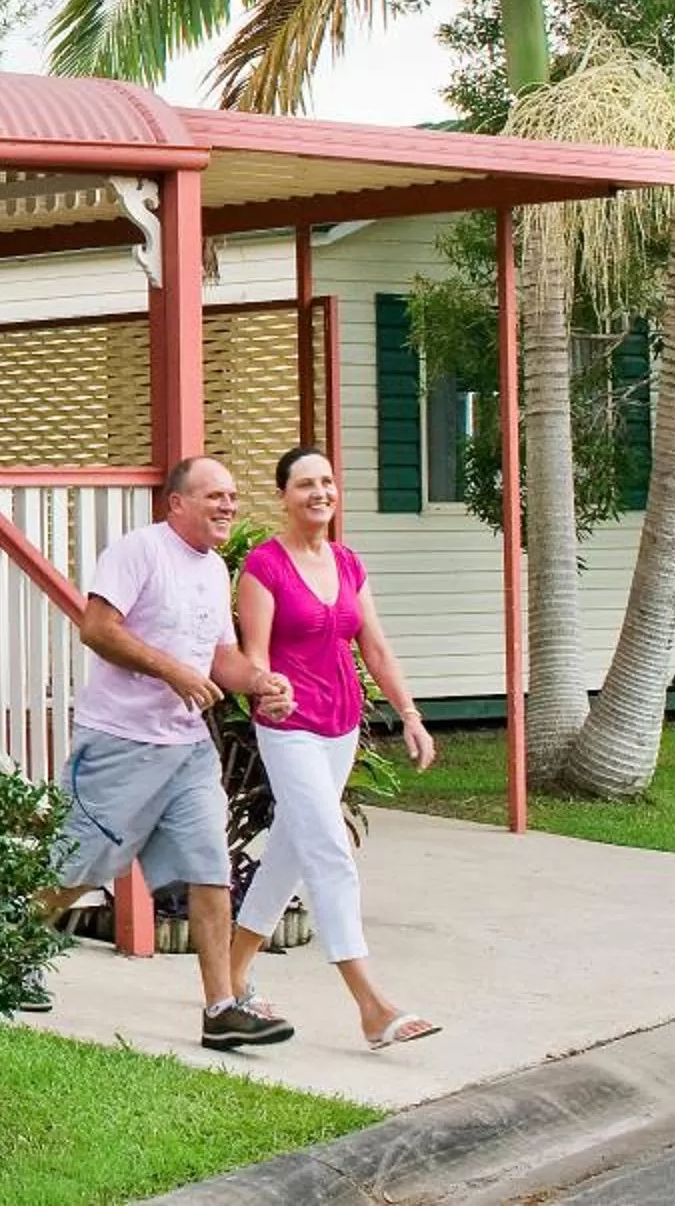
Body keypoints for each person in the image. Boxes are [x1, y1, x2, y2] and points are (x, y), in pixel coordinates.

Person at [37, 455, 299, 1051]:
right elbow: (97, 629)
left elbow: (220, 659)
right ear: (176, 502)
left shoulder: (212, 570)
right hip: (118, 744)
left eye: (232, 496)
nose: (228, 505)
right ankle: (1, 951)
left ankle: (221, 1007)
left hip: (185, 748)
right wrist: (173, 672)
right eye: (214, 495)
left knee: (211, 870)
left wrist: (261, 681)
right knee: (79, 869)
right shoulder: (139, 551)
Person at [227, 443, 440, 1049]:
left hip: (341, 724)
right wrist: (267, 690)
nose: (319, 492)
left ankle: (231, 976)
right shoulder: (264, 568)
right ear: (283, 496)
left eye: (326, 482)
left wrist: (411, 715)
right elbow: (256, 654)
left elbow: (374, 647)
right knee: (329, 851)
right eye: (304, 485)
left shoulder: (348, 564)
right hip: (289, 727)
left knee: (289, 856)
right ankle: (371, 1005)